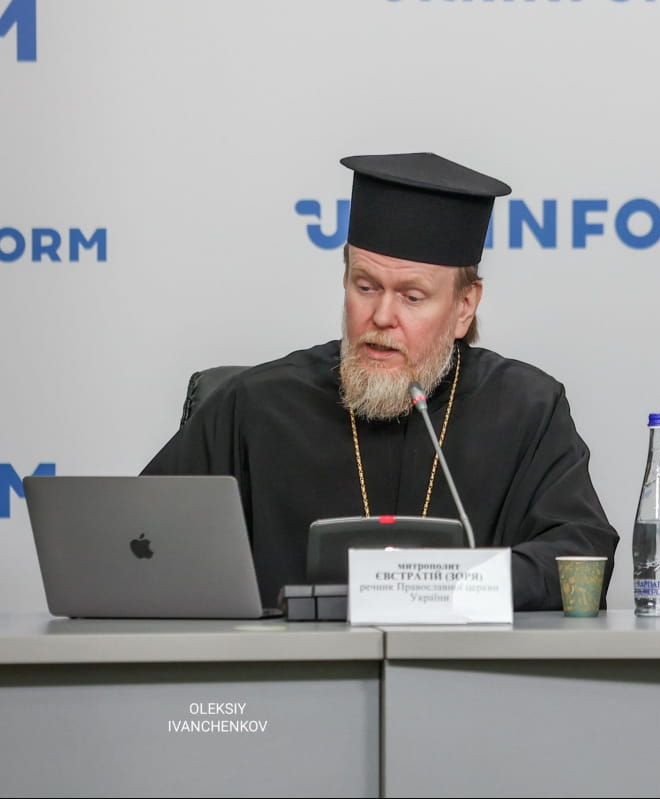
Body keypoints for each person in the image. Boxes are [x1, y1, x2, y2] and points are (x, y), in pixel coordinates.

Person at [143, 151, 619, 611]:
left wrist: (443, 583)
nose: (382, 316)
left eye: (412, 297)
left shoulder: (526, 409)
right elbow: (138, 540)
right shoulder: (257, 405)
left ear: (464, 307)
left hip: (464, 664)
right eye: (366, 287)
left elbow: (581, 557)